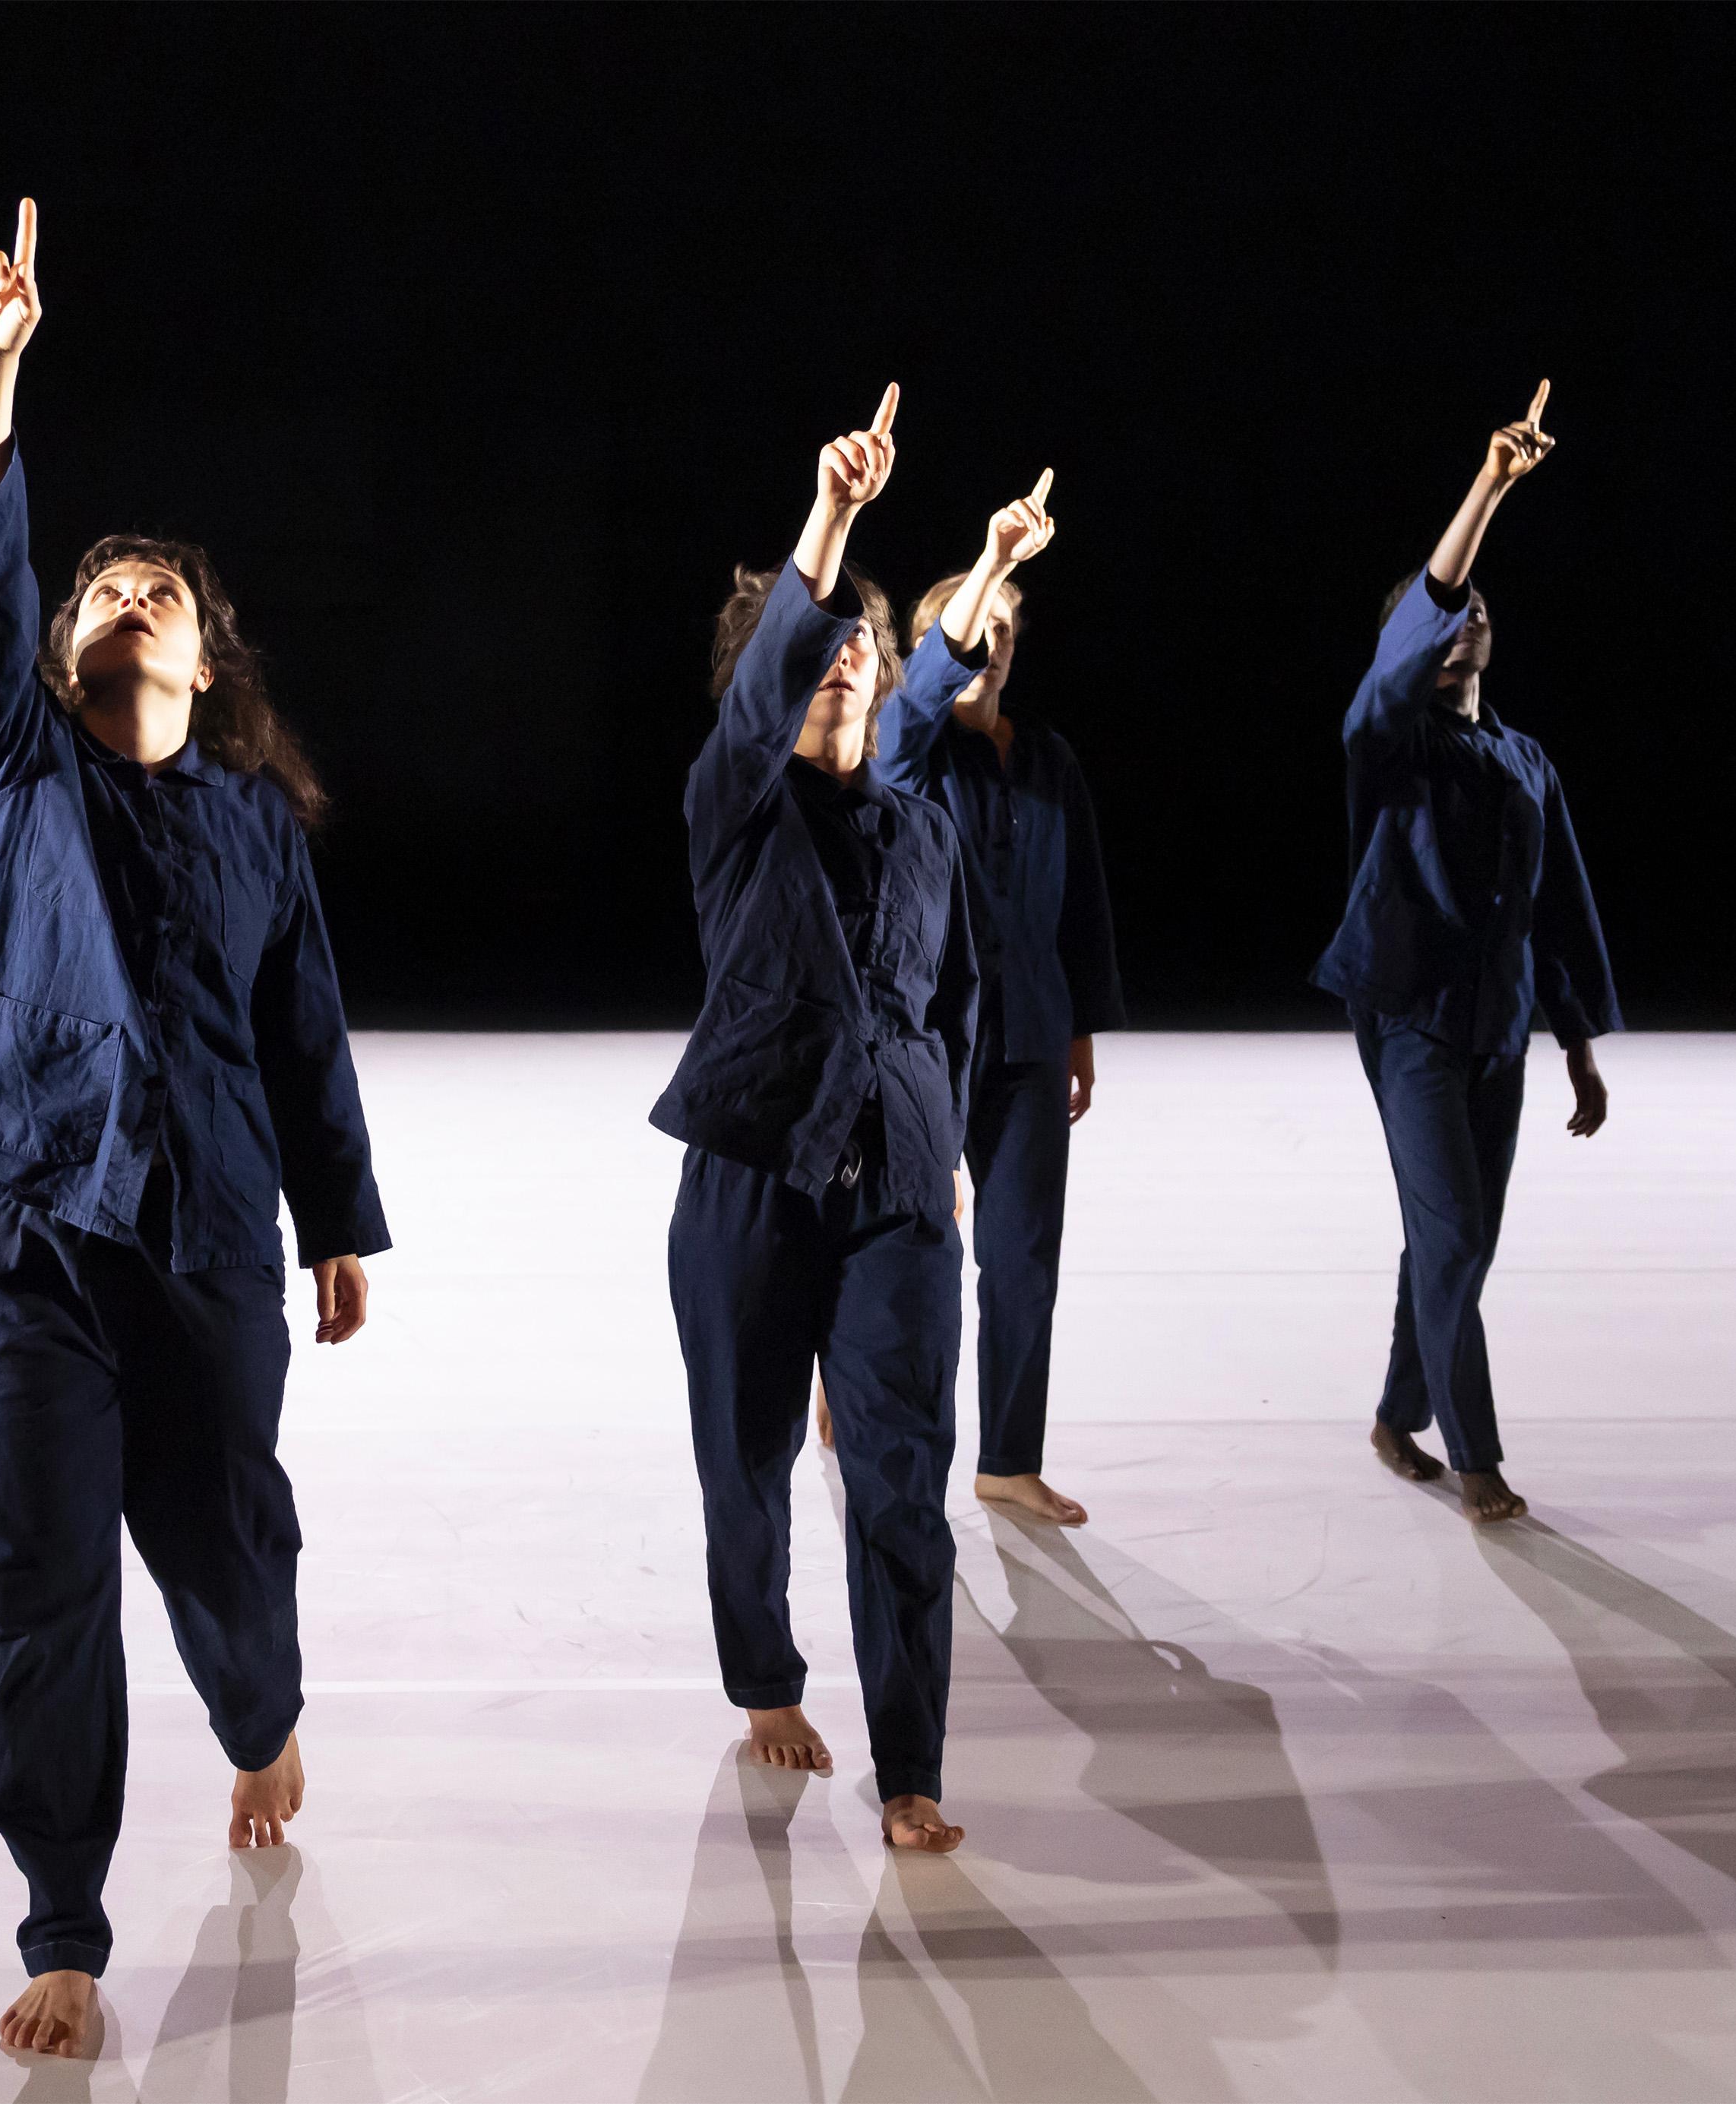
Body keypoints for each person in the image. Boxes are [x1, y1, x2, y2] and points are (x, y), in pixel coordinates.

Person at [0, 201, 390, 2057]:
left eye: (160, 593)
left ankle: (261, 1708)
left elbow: (305, 1027)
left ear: (205, 660)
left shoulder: (259, 822)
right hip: (27, 1232)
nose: (127, 599)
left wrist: (340, 1216)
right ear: (64, 651)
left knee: (221, 1545)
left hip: (205, 1242)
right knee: (35, 1581)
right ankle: (63, 1914)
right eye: (98, 588)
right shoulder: (10, 768)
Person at [651, 384, 976, 1855]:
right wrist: (834, 518)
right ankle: (765, 1671)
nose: (845, 657)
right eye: (820, 643)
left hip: (899, 1181)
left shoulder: (926, 830)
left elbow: (948, 998)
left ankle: (911, 1761)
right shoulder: (735, 802)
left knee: (902, 1477)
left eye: (866, 644)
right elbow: (776, 665)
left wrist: (950, 1141)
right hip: (749, 1174)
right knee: (747, 1457)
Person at [1311, 382, 1617, 1525]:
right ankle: (1474, 1452)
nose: (1460, 621)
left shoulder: (1528, 760)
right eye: (1438, 618)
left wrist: (1577, 1042)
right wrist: (1489, 485)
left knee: (1460, 1240)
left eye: (1473, 611)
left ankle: (1397, 1410)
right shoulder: (1389, 743)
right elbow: (1423, 612)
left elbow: (1562, 905)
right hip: (1406, 1021)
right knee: (1448, 1234)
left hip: (1498, 1025)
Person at [873, 469, 1123, 1527]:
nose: (993, 645)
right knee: (901, 1253)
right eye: (974, 632)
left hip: (1025, 1039)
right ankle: (866, 1410)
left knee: (1021, 1258)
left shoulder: (1049, 760)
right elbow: (926, 692)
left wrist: (1078, 1030)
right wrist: (989, 566)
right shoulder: (907, 750)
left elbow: (1081, 907)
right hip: (925, 1045)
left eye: (1007, 629)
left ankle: (1006, 1458)